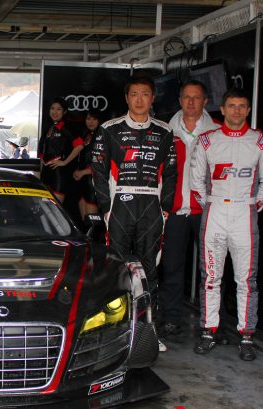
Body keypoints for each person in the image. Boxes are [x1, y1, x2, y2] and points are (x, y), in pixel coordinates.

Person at [190, 88, 263, 361]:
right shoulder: (207, 141)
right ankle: (208, 331)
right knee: (210, 277)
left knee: (246, 279)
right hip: (215, 212)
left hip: (244, 213)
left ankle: (246, 335)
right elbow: (196, 181)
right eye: (232, 106)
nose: (236, 111)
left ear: (248, 110)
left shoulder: (261, 141)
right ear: (223, 109)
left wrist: (253, 204)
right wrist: (211, 204)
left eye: (241, 106)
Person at [91, 74, 177, 297]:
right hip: (119, 203)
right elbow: (98, 171)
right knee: (116, 262)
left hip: (152, 205)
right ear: (127, 98)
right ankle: (116, 310)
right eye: (134, 94)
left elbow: (170, 173)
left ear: (152, 98)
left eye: (145, 94)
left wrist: (166, 207)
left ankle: (147, 314)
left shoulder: (165, 131)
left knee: (150, 264)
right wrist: (106, 208)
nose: (139, 100)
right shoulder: (109, 129)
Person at [157, 80, 221, 343]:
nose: (191, 102)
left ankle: (212, 324)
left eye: (197, 98)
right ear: (180, 100)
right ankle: (172, 319)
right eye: (186, 97)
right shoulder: (164, 131)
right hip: (176, 211)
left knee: (212, 270)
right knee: (172, 268)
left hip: (208, 211)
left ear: (205, 101)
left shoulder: (217, 131)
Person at [38, 97, 84, 203]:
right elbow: (42, 153)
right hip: (45, 173)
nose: (55, 112)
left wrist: (64, 162)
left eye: (58, 109)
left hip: (58, 174)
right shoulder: (48, 127)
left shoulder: (66, 127)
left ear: (64, 112)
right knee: (44, 207)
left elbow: (80, 145)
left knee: (55, 209)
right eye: (52, 108)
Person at [72, 110, 101, 221]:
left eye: (94, 119)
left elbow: (102, 163)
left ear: (99, 120)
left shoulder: (102, 136)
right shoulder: (85, 134)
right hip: (83, 181)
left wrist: (83, 172)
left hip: (94, 182)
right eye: (88, 119)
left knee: (92, 222)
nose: (91, 122)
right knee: (85, 221)